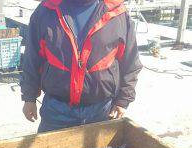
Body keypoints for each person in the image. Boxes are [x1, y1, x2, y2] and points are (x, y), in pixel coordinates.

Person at [20, 0, 142, 133]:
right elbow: (31, 58)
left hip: (102, 110)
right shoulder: (46, 10)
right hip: (56, 110)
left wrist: (123, 100)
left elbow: (130, 62)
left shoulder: (118, 13)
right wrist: (29, 97)